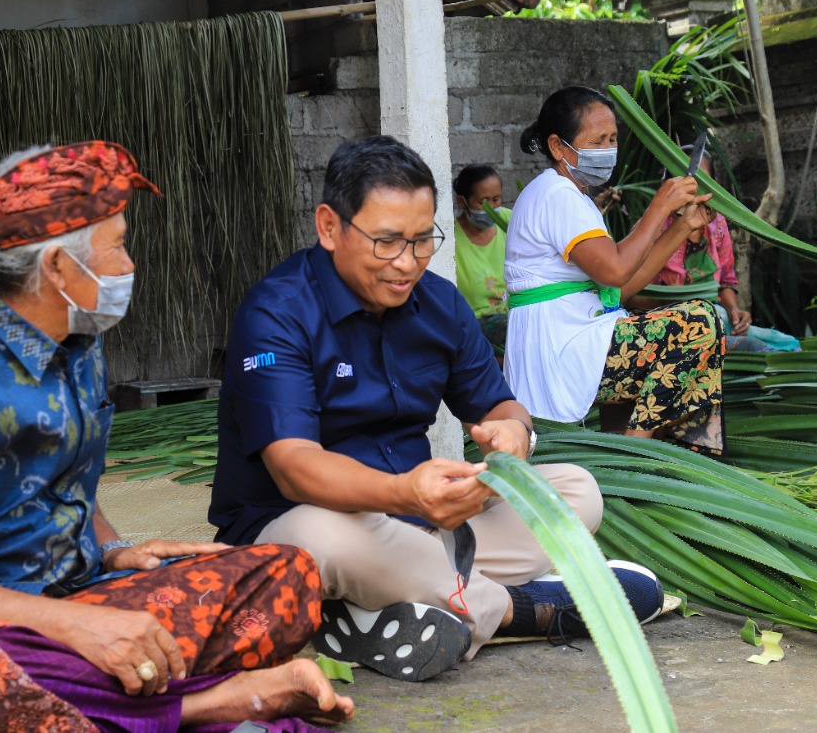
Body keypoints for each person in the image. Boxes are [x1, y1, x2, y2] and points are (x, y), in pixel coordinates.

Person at [0, 141, 353, 733]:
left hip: (81, 591)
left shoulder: (78, 337)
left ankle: (111, 701)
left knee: (285, 574)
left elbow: (63, 470)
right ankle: (214, 705)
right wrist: (72, 627)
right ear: (57, 266)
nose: (128, 265)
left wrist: (113, 549)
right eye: (118, 246)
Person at [210, 135, 666, 684]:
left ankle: (386, 609)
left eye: (423, 240)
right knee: (322, 539)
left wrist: (515, 436)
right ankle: (523, 610)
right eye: (386, 242)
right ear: (329, 227)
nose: (406, 263)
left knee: (575, 491)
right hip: (296, 531)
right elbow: (294, 467)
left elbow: (499, 403)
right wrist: (404, 493)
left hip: (421, 528)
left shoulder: (438, 303)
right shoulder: (276, 312)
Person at [503, 85, 726, 456]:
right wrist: (660, 206)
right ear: (558, 147)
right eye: (597, 141)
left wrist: (682, 226)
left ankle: (619, 453)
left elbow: (620, 287)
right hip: (559, 346)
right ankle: (631, 456)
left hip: (573, 335)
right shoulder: (556, 194)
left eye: (612, 139)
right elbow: (614, 271)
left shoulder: (571, 196)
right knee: (701, 323)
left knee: (657, 325)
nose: (608, 149)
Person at [643, 152, 801, 354]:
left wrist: (734, 311)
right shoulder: (653, 227)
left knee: (786, 344)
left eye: (702, 179)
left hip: (716, 316)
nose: (693, 186)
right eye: (685, 180)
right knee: (754, 348)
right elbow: (636, 291)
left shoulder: (716, 224)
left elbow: (725, 280)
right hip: (674, 324)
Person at [453, 164, 509, 351]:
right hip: (475, 325)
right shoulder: (451, 238)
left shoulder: (510, 222)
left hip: (514, 311)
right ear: (462, 202)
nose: (492, 207)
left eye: (496, 199)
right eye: (483, 201)